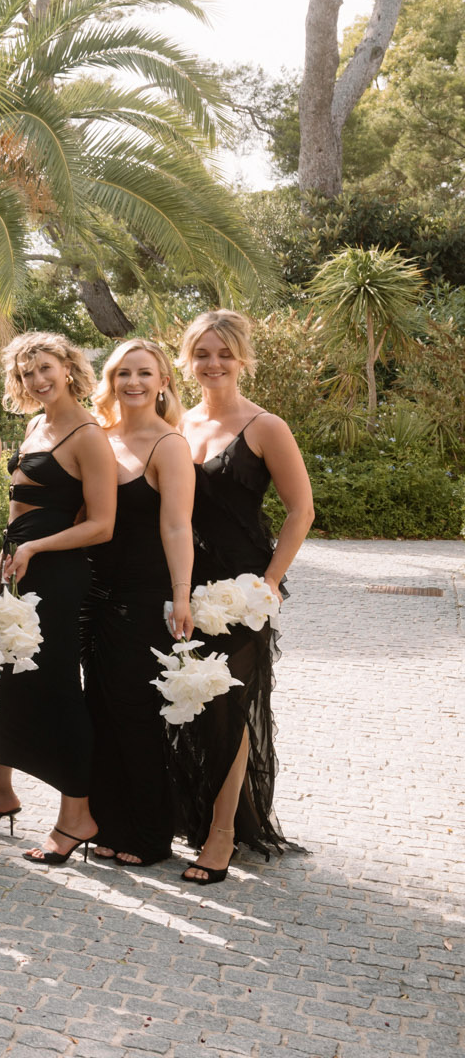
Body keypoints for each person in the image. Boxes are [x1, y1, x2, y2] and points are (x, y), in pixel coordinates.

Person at [175, 309, 312, 885]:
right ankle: (193, 812)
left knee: (230, 706)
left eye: (223, 353)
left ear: (242, 359)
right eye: (202, 353)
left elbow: (301, 510)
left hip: (242, 591)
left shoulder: (266, 427)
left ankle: (224, 831)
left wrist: (270, 582)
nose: (213, 364)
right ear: (186, 360)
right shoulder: (178, 422)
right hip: (186, 585)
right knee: (189, 701)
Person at [0, 331, 117, 867]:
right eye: (26, 373)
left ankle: (77, 815)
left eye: (45, 368)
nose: (37, 380)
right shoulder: (36, 425)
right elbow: (19, 514)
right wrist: (2, 566)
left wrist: (35, 547)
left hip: (57, 577)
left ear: (68, 366)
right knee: (0, 683)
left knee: (57, 691)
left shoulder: (88, 434)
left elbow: (103, 525)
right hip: (19, 572)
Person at [84, 339, 194, 868]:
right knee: (99, 714)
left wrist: (180, 596)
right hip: (95, 595)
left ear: (163, 381)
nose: (133, 382)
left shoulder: (168, 444)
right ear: (110, 380)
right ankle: (108, 824)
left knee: (137, 716)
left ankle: (150, 835)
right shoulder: (99, 438)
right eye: (123, 372)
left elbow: (177, 524)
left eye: (144, 373)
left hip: (143, 596)